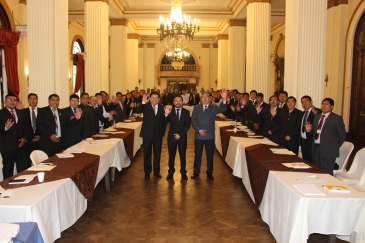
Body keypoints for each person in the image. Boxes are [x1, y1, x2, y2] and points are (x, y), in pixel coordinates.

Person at [191, 89, 228, 180]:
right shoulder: (196, 107)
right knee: (198, 154)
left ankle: (209, 172)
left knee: (210, 154)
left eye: (207, 97)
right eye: (203, 97)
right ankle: (196, 172)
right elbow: (193, 120)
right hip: (199, 135)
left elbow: (223, 108)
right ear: (200, 99)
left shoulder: (214, 107)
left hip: (210, 135)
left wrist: (224, 98)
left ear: (210, 98)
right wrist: (199, 130)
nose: (205, 98)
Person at [305, 98, 346, 175]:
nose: (323, 106)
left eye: (326, 104)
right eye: (322, 104)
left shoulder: (336, 118)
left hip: (329, 150)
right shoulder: (317, 116)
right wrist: (309, 130)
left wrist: (334, 146)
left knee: (327, 172)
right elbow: (314, 132)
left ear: (332, 106)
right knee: (317, 171)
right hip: (316, 148)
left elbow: (342, 135)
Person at [135, 91, 171, 179]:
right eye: (153, 98)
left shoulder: (163, 107)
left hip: (158, 134)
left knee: (157, 153)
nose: (154, 100)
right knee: (147, 153)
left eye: (156, 98)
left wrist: (166, 115)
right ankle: (147, 172)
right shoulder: (145, 106)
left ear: (159, 99)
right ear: (150, 98)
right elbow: (137, 110)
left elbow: (164, 122)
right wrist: (143, 102)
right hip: (147, 134)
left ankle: (157, 171)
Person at [0, 93, 30, 179]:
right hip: (7, 147)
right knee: (8, 170)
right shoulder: (1, 113)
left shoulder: (21, 113)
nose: (12, 102)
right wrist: (5, 127)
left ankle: (21, 188)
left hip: (21, 146)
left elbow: (27, 126)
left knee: (22, 169)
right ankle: (7, 187)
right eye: (10, 100)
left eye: (14, 100)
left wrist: (24, 138)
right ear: (5, 101)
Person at [166, 96, 191, 180]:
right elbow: (164, 122)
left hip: (182, 137)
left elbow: (187, 125)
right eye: (176, 101)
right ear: (173, 102)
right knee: (171, 156)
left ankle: (183, 172)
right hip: (171, 137)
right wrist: (165, 114)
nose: (178, 102)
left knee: (182, 155)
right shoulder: (169, 111)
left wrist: (180, 134)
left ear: (182, 102)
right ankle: (170, 172)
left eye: (179, 101)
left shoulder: (186, 112)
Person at [22, 93, 40, 168]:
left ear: (37, 100)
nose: (33, 101)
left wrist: (40, 136)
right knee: (26, 164)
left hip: (40, 141)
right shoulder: (22, 112)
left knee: (40, 163)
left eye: (35, 99)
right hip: (27, 142)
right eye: (31, 99)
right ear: (28, 100)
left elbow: (45, 125)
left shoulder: (43, 111)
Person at [300, 95, 320, 163]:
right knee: (305, 161)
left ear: (311, 102)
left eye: (306, 101)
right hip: (304, 142)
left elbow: (320, 122)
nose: (304, 104)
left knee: (312, 162)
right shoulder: (302, 113)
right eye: (302, 102)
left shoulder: (317, 112)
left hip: (312, 142)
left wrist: (316, 113)